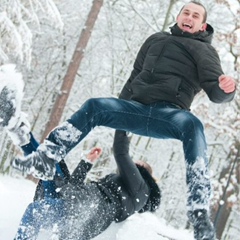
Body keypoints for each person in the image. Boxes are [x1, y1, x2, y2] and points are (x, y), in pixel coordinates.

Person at [9, 1, 236, 239]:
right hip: (134, 109)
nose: (189, 17)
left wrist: (225, 90)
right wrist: (117, 113)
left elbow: (216, 91)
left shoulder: (204, 51)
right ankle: (47, 156)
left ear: (202, 25)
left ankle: (199, 212)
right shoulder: (154, 40)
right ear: (178, 17)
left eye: (195, 15)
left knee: (193, 124)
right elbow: (133, 79)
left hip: (168, 113)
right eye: (185, 12)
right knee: (96, 106)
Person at [14, 131, 161, 240]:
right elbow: (75, 186)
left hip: (82, 215)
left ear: (144, 174)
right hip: (72, 201)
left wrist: (124, 123)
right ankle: (20, 131)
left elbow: (121, 153)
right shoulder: (117, 184)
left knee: (37, 206)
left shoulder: (142, 190)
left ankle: (22, 134)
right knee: (50, 160)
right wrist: (86, 163)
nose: (131, 167)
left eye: (136, 166)